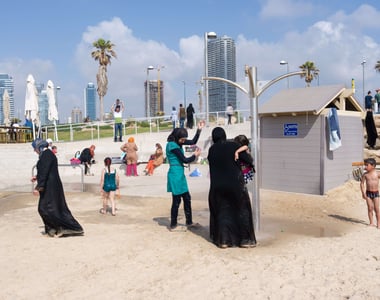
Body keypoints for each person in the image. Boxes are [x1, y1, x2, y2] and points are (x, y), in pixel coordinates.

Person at [207, 127, 257, 248]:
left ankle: (223, 240)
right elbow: (249, 160)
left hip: (216, 187)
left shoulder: (212, 149)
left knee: (222, 212)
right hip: (235, 185)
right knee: (242, 210)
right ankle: (245, 240)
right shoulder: (233, 146)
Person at [31, 138, 84, 237]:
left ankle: (71, 228)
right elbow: (46, 170)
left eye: (35, 148)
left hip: (50, 187)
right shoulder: (48, 155)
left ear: (40, 147)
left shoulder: (46, 155)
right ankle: (53, 229)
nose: (35, 151)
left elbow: (45, 171)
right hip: (51, 185)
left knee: (50, 208)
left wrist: (39, 187)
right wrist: (37, 177)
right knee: (49, 208)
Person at [166, 122, 204, 230]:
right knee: (176, 200)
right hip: (175, 174)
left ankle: (189, 222)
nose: (183, 141)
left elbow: (193, 141)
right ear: (177, 137)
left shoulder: (178, 142)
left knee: (187, 198)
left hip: (180, 174)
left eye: (184, 139)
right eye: (182, 139)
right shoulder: (172, 145)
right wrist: (195, 155)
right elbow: (185, 160)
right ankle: (173, 225)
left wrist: (199, 130)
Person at [360, 158, 380, 228]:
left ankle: (378, 223)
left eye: (366, 165)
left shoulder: (377, 173)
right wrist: (363, 193)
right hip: (368, 193)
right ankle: (371, 223)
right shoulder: (365, 175)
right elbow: (362, 183)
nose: (365, 167)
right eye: (365, 165)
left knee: (377, 209)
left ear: (373, 166)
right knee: (370, 208)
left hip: (376, 193)